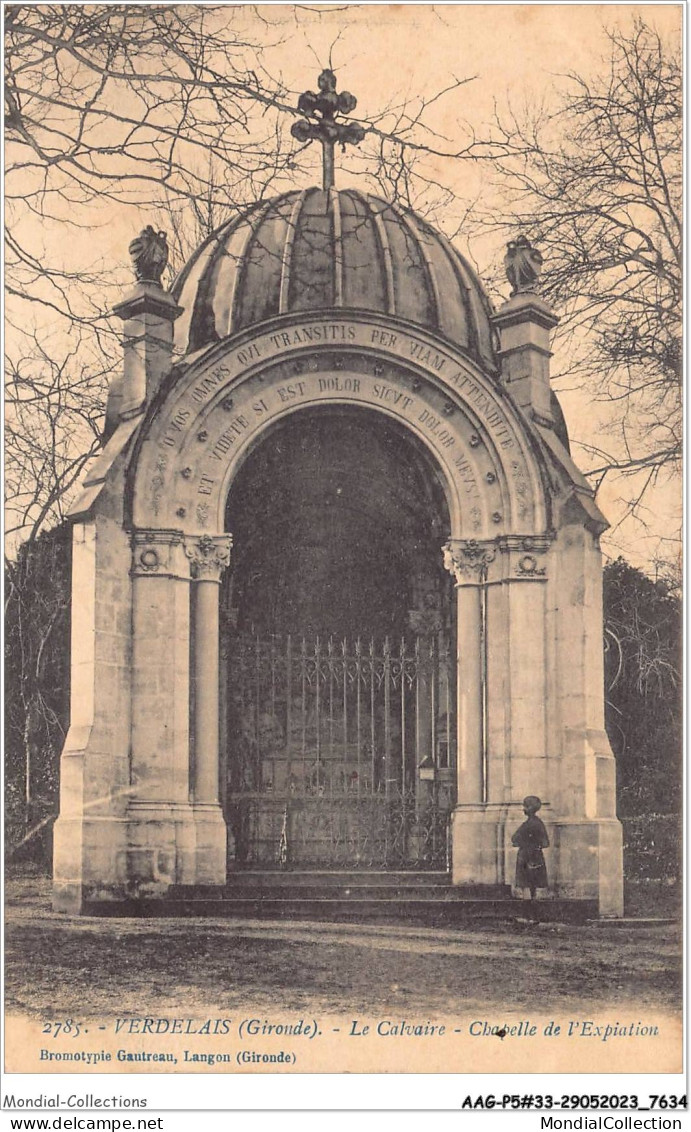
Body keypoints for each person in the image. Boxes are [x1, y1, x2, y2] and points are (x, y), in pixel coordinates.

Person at [512, 795, 549, 899]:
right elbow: (545, 842)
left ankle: (528, 909)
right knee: (534, 885)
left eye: (525, 807)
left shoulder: (528, 824)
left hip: (526, 855)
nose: (523, 809)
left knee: (526, 884)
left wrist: (525, 844)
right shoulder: (539, 823)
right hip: (536, 855)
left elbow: (514, 839)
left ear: (530, 808)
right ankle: (532, 908)